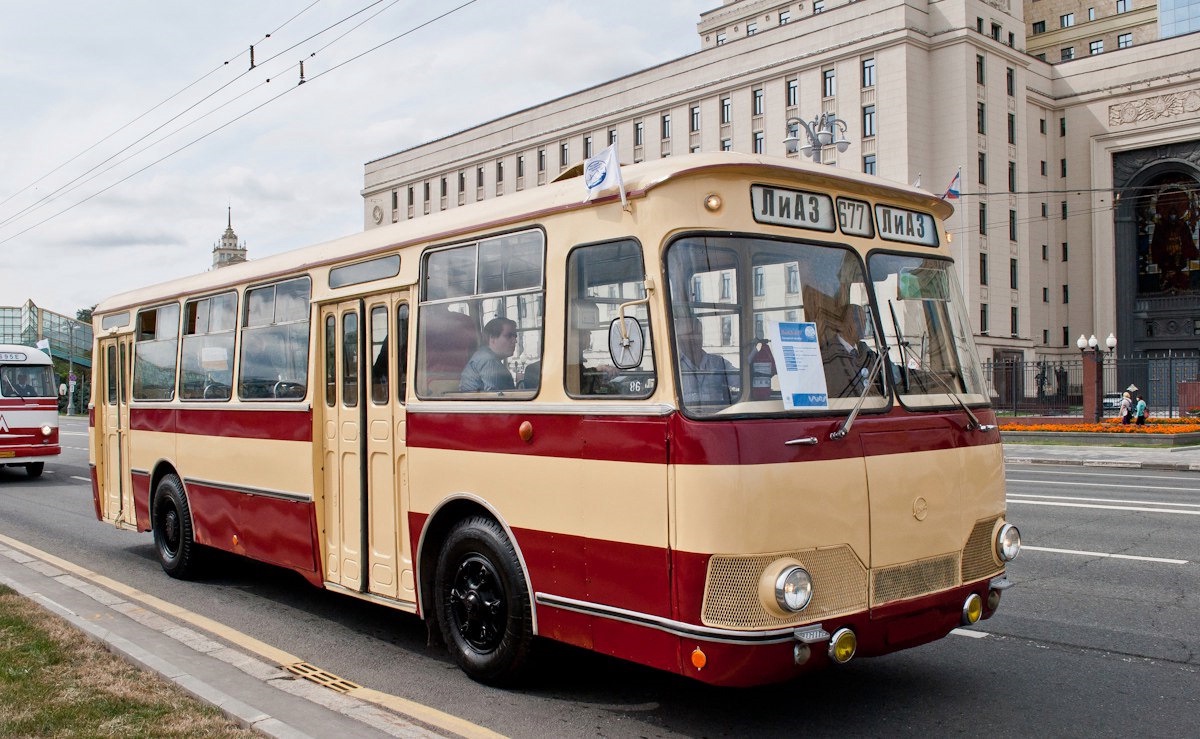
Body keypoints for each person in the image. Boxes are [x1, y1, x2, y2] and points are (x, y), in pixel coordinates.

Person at [676, 316, 738, 406]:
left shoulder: (717, 362)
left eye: (697, 334)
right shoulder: (672, 366)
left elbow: (740, 379)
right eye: (688, 335)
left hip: (716, 417)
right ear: (678, 339)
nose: (694, 339)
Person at [822, 305, 878, 398]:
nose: (862, 324)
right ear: (841, 324)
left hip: (873, 407)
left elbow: (889, 374)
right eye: (856, 320)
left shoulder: (867, 352)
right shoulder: (827, 355)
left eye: (864, 319)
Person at [459, 317, 518, 392]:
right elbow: (496, 398)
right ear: (492, 338)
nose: (515, 341)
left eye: (515, 336)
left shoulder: (482, 355)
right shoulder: (489, 361)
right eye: (509, 336)